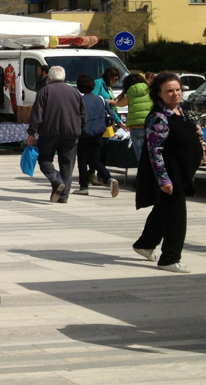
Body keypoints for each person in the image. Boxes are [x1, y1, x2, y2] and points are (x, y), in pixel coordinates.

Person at [132, 73, 203, 273]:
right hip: (170, 175)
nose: (175, 94)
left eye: (178, 89)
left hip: (181, 172)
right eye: (169, 91)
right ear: (159, 94)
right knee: (176, 217)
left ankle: (145, 244)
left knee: (163, 211)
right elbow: (155, 152)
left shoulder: (178, 111)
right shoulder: (159, 117)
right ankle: (170, 258)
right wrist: (164, 179)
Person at [26, 66, 85, 203]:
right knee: (67, 164)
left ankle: (56, 180)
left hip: (49, 133)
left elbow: (37, 115)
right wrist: (80, 129)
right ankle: (63, 196)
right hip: (71, 133)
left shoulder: (44, 91)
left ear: (50, 78)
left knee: (44, 160)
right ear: (63, 78)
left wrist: (31, 132)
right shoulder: (75, 92)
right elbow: (83, 113)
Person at [74, 75, 119, 197]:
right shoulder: (101, 99)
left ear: (80, 88)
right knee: (95, 160)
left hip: (83, 134)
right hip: (99, 134)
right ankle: (110, 179)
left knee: (82, 161)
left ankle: (83, 186)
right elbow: (111, 114)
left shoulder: (79, 100)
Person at [116, 73, 152, 161]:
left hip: (135, 127)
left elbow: (118, 103)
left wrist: (122, 94)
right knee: (151, 154)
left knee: (140, 155)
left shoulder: (130, 94)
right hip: (150, 125)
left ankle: (142, 173)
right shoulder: (150, 91)